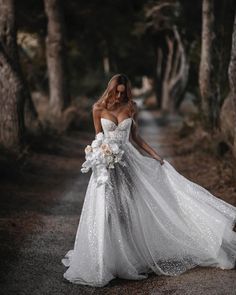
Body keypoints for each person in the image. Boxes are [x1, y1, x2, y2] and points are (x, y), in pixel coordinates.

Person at [61, 73, 236, 287]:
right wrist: (99, 152)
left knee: (129, 208)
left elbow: (135, 138)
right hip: (105, 167)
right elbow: (98, 136)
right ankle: (104, 259)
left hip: (129, 164)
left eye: (123, 92)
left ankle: (130, 255)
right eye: (116, 91)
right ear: (110, 89)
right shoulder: (98, 109)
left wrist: (154, 155)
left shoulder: (131, 107)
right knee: (106, 209)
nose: (119, 95)